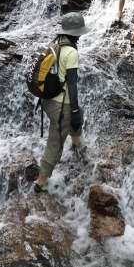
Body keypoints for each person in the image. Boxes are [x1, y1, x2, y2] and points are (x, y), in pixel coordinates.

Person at [34, 12, 90, 193]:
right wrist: (72, 112)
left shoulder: (54, 45)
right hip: (61, 107)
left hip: (47, 101)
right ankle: (41, 182)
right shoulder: (71, 51)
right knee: (55, 144)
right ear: (76, 33)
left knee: (78, 112)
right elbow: (72, 84)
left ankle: (76, 143)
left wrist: (76, 112)